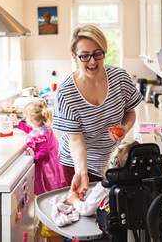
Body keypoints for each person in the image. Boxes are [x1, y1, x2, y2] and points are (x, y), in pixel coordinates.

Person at [53, 24, 143, 199]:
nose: (92, 61)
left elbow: (130, 112)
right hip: (76, 164)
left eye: (97, 54)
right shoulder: (66, 92)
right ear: (74, 57)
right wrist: (82, 172)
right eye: (85, 56)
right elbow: (76, 140)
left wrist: (124, 128)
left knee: (108, 212)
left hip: (111, 162)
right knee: (81, 212)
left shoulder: (120, 78)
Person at [10, 99, 66, 195]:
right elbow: (31, 130)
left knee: (47, 185)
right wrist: (17, 122)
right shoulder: (45, 127)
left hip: (45, 164)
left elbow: (44, 151)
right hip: (53, 160)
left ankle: (47, 198)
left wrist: (32, 159)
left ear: (31, 120)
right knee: (52, 183)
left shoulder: (39, 134)